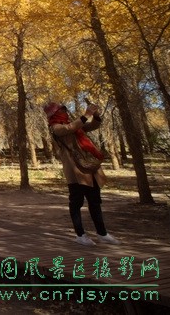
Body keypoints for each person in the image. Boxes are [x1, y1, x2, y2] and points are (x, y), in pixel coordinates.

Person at [45, 101, 120, 247]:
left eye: (65, 109)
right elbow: (70, 127)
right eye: (62, 110)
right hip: (75, 171)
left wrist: (95, 116)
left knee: (95, 201)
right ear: (54, 114)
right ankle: (80, 235)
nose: (65, 111)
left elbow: (91, 126)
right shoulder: (56, 128)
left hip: (88, 168)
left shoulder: (74, 125)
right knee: (76, 203)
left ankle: (102, 233)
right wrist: (86, 114)